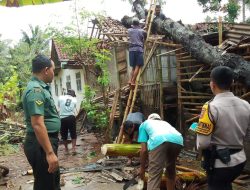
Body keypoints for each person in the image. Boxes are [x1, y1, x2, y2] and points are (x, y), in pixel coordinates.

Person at [195, 66, 250, 190]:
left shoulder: (210, 108)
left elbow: (203, 144)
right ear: (232, 82)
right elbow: (247, 134)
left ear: (212, 84)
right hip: (240, 161)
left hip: (219, 164)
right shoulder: (246, 105)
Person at [22, 54, 61, 190]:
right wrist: (49, 153)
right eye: (52, 69)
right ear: (46, 70)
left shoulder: (41, 88)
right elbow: (37, 124)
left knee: (52, 183)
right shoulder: (36, 91)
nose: (53, 73)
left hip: (44, 143)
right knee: (46, 186)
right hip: (41, 145)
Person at [138, 113, 183, 190]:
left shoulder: (144, 124)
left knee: (154, 175)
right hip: (178, 140)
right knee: (170, 170)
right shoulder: (165, 123)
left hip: (160, 140)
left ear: (149, 119)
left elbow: (144, 150)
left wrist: (142, 169)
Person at [128, 17, 146, 87]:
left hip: (131, 50)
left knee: (133, 67)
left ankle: (129, 80)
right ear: (139, 24)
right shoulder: (142, 31)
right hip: (138, 49)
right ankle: (133, 81)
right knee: (138, 66)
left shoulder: (129, 30)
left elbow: (133, 29)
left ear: (132, 24)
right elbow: (145, 35)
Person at [58, 89, 78, 155]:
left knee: (64, 134)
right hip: (71, 117)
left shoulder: (60, 97)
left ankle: (66, 149)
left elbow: (59, 106)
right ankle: (73, 148)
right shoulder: (74, 100)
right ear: (72, 95)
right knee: (73, 133)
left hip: (62, 118)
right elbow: (73, 107)